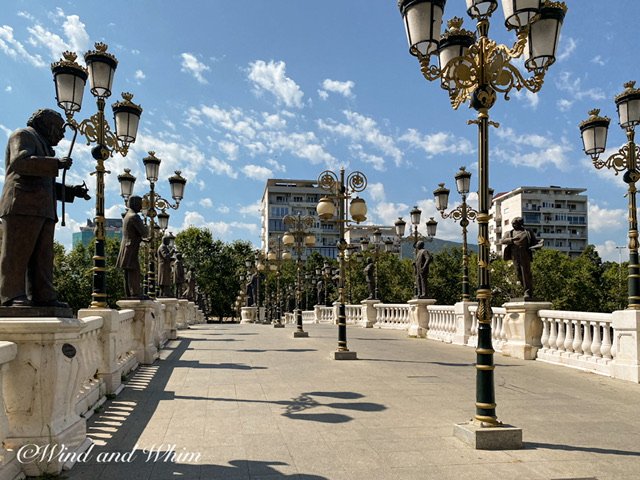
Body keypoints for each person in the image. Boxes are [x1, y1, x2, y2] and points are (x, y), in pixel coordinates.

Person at [0, 108, 90, 307]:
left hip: (43, 209)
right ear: (45, 125)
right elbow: (20, 163)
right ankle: (12, 296)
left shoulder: (45, 147)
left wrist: (72, 191)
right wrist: (55, 163)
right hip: (22, 204)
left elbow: (46, 184)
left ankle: (43, 295)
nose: (62, 134)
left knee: (43, 256)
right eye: (59, 129)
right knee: (17, 253)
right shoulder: (23, 135)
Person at [500, 216, 542, 299]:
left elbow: (534, 242)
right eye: (513, 224)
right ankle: (525, 289)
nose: (513, 225)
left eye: (515, 224)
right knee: (518, 273)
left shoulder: (527, 232)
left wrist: (539, 245)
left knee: (525, 273)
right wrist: (512, 239)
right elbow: (502, 241)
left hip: (525, 254)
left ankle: (528, 292)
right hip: (514, 254)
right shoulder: (510, 233)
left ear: (520, 224)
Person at [116, 195, 147, 298]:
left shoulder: (127, 216)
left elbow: (133, 233)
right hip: (131, 247)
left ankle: (129, 294)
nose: (141, 206)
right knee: (134, 270)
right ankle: (135, 294)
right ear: (134, 203)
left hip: (125, 246)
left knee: (128, 272)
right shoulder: (134, 216)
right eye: (140, 203)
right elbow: (144, 232)